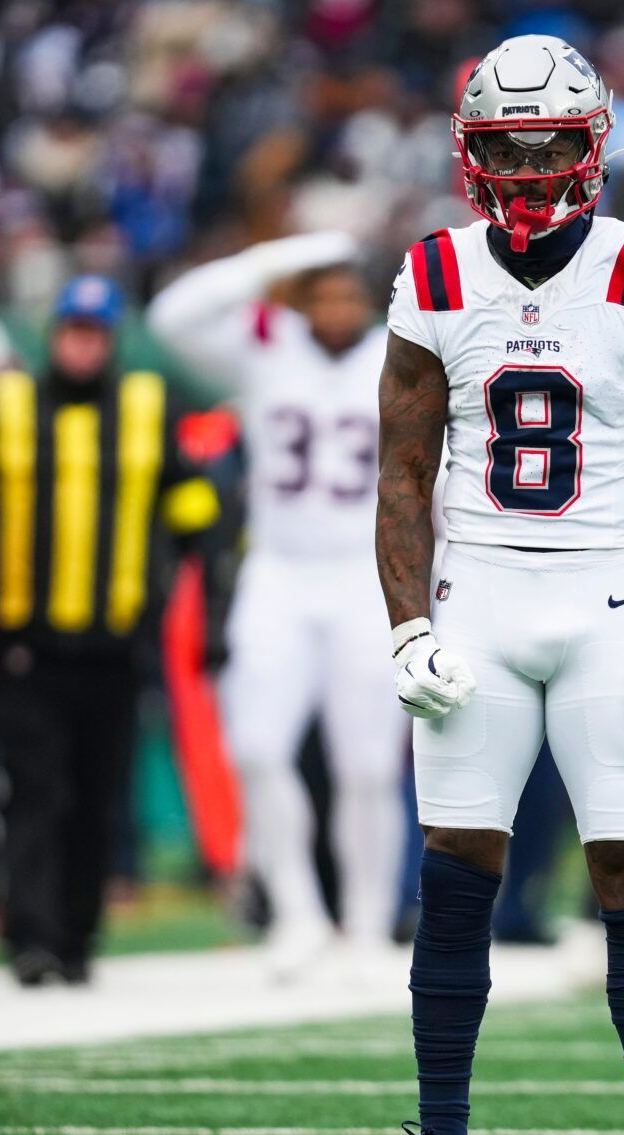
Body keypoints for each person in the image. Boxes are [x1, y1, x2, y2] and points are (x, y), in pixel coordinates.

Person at [351, 35, 624, 1135]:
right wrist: (408, 626)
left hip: (608, 595)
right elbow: (404, 474)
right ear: (469, 153)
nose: (526, 166)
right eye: (504, 146)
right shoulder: (435, 274)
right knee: (456, 864)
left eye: (550, 142)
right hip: (480, 594)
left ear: (593, 146)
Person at [0, 274, 219, 987]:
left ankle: (78, 937)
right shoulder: (7, 408)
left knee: (97, 798)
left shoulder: (148, 410)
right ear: (54, 336)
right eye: (73, 332)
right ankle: (31, 937)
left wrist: (196, 589)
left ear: (112, 340)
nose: (83, 347)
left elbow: (193, 511)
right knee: (34, 792)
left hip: (118, 645)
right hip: (26, 644)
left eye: (95, 334)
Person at [147, 232, 403, 970]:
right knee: (256, 747)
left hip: (367, 574)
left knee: (369, 768)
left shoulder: (402, 354)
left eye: (346, 293)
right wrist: (272, 258)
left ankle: (365, 923)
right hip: (279, 571)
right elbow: (172, 318)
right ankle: (297, 912)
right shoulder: (268, 346)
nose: (333, 309)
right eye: (318, 293)